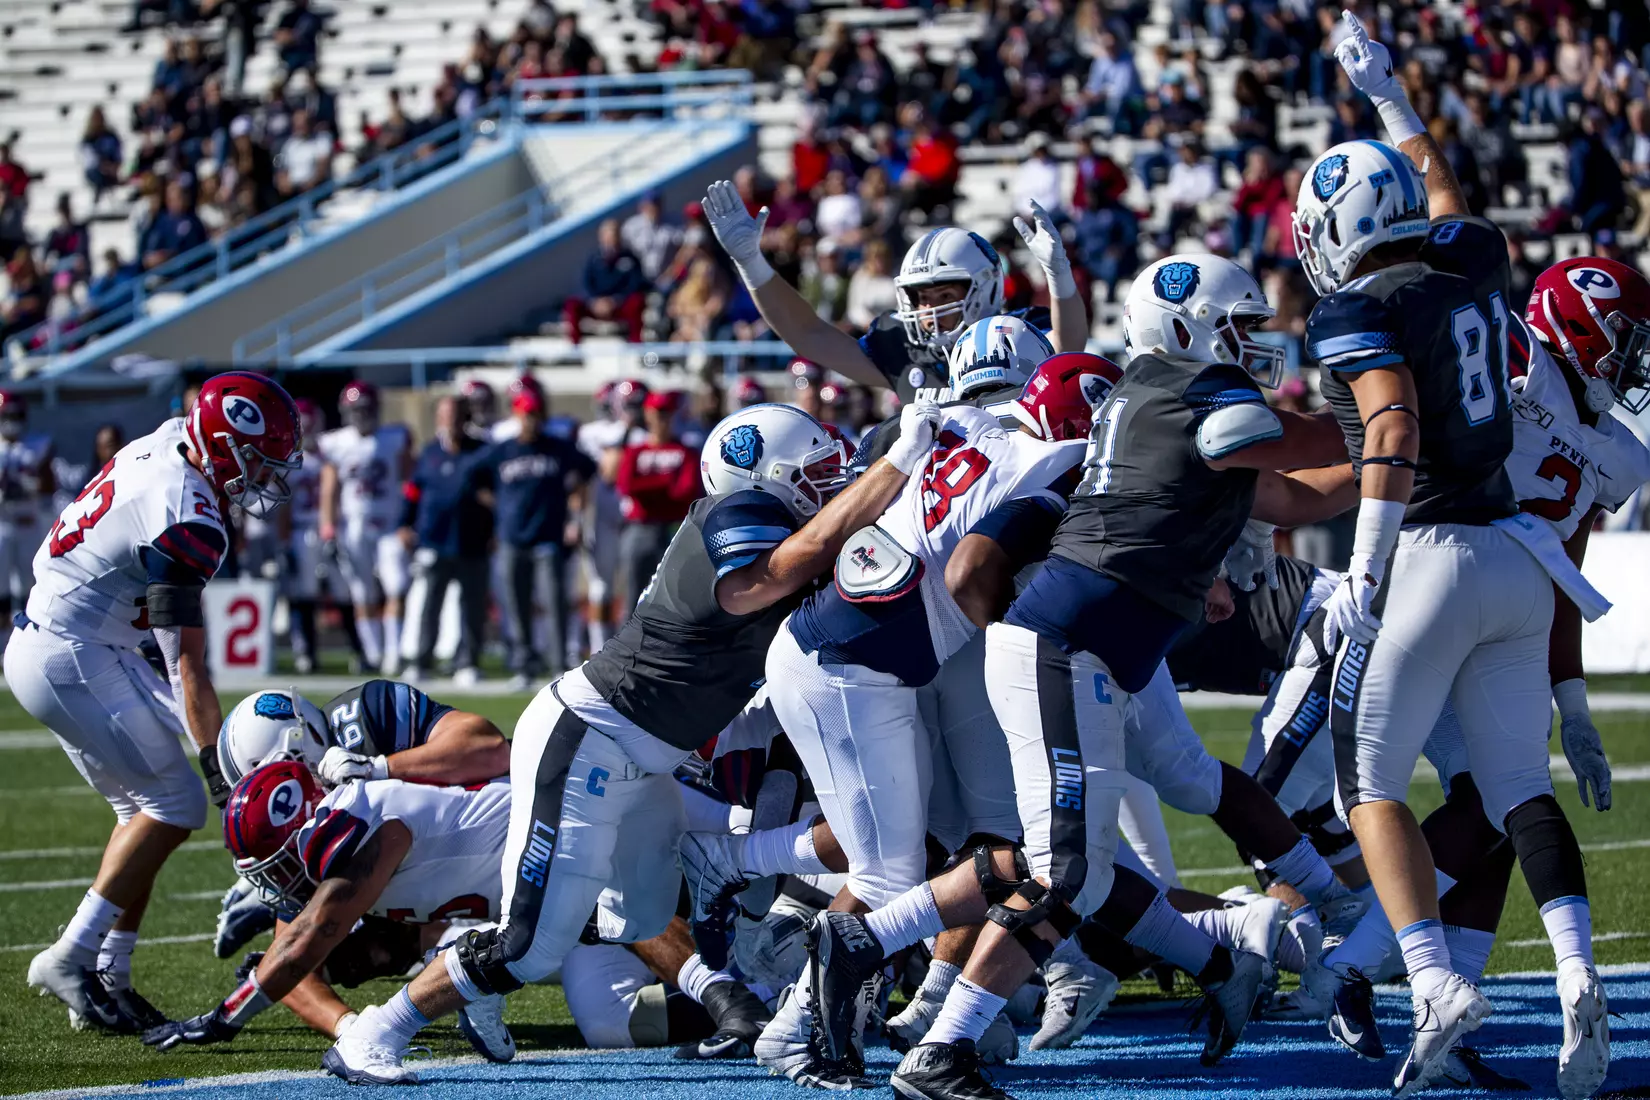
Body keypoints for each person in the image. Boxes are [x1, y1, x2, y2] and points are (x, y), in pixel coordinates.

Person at [315, 401, 943, 1085]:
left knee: (638, 916)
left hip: (646, 758)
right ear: (763, 476)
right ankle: (378, 1030)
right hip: (588, 738)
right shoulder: (728, 519)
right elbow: (775, 573)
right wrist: (897, 462)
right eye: (818, 471)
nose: (832, 483)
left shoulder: (776, 524)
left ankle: (674, 875)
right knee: (532, 947)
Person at [884, 254, 1354, 1100]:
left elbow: (1305, 497)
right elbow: (1313, 439)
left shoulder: (1175, 409)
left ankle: (1224, 962)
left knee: (1082, 868)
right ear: (1187, 328)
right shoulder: (1186, 391)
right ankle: (938, 1040)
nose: (1251, 344)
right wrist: (1392, 407)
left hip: (1087, 652)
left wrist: (1409, 467)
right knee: (1066, 869)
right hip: (1066, 646)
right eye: (1239, 327)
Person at [1290, 16, 1610, 1094]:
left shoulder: (1352, 305)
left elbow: (1387, 427)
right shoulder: (1470, 258)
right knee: (1520, 787)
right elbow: (1438, 184)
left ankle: (1430, 978)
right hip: (1517, 554)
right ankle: (1577, 976)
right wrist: (1390, 99)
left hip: (1425, 550)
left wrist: (1367, 564)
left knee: (1366, 784)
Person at [740, 345, 1095, 1086]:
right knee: (888, 874)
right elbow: (972, 569)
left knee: (904, 863)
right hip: (844, 669)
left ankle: (809, 1025)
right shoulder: (1056, 469)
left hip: (851, 658)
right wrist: (1014, 647)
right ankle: (802, 1032)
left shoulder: (966, 421)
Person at [8, 372, 300, 1033]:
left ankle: (107, 974)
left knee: (140, 809)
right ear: (224, 447)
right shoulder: (187, 515)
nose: (267, 476)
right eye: (259, 459)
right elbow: (186, 664)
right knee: (179, 803)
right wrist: (224, 777)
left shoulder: (171, 440)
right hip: (71, 651)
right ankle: (71, 955)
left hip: (73, 638)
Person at [141, 759, 516, 1063]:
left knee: (536, 949)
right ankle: (475, 975)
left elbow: (311, 935)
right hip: (514, 888)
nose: (277, 882)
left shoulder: (357, 818)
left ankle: (469, 978)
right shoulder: (349, 834)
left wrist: (223, 1018)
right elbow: (297, 951)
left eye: (279, 868)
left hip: (551, 854)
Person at [703, 180, 1087, 405]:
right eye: (920, 298)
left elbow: (1069, 345)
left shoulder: (1014, 335)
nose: (928, 310)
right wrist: (752, 263)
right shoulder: (905, 349)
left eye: (942, 295)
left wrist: (1058, 274)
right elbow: (809, 334)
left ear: (983, 290)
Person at [473, 384, 595, 689]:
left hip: (549, 538)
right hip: (513, 539)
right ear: (517, 414)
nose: (531, 420)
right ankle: (524, 666)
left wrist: (575, 504)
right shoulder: (502, 451)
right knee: (517, 605)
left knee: (554, 603)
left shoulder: (558, 447)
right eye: (526, 414)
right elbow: (473, 478)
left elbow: (587, 470)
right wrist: (496, 506)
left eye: (536, 414)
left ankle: (556, 665)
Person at [318, 381, 413, 676]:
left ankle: (394, 654)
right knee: (363, 593)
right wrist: (328, 527)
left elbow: (410, 483)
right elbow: (329, 488)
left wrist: (410, 521)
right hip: (355, 526)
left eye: (366, 409)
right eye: (356, 410)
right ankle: (373, 654)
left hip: (390, 524)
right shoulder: (336, 443)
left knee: (396, 586)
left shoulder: (395, 437)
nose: (361, 415)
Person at [401, 395, 492, 684]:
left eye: (456, 415)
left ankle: (467, 662)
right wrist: (405, 523)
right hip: (434, 540)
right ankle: (422, 660)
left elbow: (494, 494)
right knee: (431, 604)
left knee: (472, 606)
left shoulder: (481, 453)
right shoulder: (429, 453)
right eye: (446, 415)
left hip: (472, 540)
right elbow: (413, 492)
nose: (451, 421)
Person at [614, 391, 700, 614]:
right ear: (647, 414)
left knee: (677, 598)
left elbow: (686, 491)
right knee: (633, 595)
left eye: (666, 413)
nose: (661, 419)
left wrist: (648, 486)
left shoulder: (685, 452)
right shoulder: (635, 452)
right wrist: (665, 481)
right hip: (640, 528)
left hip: (674, 530)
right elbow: (627, 487)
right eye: (657, 413)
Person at [0, 392, 55, 636]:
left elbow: (49, 484)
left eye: (16, 414)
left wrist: (27, 484)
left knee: (30, 586)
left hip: (28, 522)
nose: (11, 420)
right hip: (1, 523)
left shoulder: (38, 444)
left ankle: (29, 637)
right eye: (7, 414)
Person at [281, 399, 324, 673]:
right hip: (299, 530)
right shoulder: (288, 460)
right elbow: (283, 503)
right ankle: (304, 650)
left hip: (326, 530)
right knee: (300, 595)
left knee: (339, 594)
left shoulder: (329, 453)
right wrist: (284, 540)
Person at [565, 218, 649, 345]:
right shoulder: (593, 259)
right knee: (572, 304)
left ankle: (636, 344)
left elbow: (634, 285)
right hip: (597, 305)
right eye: (608, 235)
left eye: (614, 235)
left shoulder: (630, 259)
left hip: (619, 305)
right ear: (601, 237)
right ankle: (575, 347)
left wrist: (614, 300)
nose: (611, 240)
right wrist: (595, 301)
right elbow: (585, 284)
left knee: (636, 302)